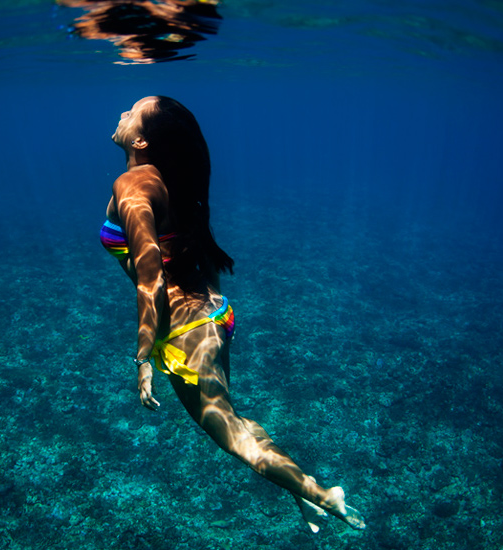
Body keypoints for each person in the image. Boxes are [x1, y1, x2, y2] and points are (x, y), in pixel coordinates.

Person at [100, 96, 366, 532]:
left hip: (185, 332)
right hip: (215, 316)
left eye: (131, 112)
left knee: (233, 438)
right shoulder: (174, 183)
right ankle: (301, 489)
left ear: (142, 140)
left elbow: (151, 276)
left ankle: (322, 494)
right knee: (234, 419)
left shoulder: (132, 186)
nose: (122, 113)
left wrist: (143, 356)